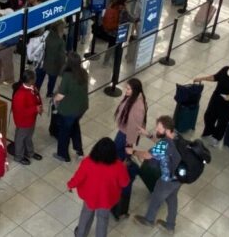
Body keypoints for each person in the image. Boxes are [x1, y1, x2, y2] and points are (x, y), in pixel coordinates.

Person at [67, 137, 130, 237]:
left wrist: (70, 185)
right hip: (106, 199)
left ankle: (80, 234)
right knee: (102, 220)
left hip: (90, 197)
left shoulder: (87, 162)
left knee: (86, 216)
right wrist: (124, 168)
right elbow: (124, 183)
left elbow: (78, 177)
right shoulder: (119, 166)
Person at [130, 115, 182, 234]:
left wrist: (133, 151)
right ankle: (170, 226)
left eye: (159, 129)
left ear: (167, 130)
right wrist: (147, 134)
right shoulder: (176, 136)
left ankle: (149, 220)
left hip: (167, 179)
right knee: (172, 199)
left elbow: (147, 155)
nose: (156, 130)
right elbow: (161, 143)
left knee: (156, 197)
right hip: (178, 177)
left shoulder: (164, 144)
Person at [110, 78, 148, 220]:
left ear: (135, 90)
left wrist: (129, 146)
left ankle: (118, 202)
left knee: (120, 164)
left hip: (125, 137)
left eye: (128, 89)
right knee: (120, 163)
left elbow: (133, 130)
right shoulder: (134, 98)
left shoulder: (137, 107)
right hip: (124, 134)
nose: (126, 91)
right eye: (126, 88)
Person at [193, 57, 229, 146]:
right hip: (217, 98)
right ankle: (209, 131)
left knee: (222, 121)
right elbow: (215, 77)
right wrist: (202, 78)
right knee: (209, 116)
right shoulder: (225, 69)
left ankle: (216, 137)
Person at [53, 51, 89, 162]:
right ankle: (79, 151)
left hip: (69, 110)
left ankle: (63, 155)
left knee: (64, 132)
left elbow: (60, 95)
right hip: (81, 107)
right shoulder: (83, 73)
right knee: (75, 127)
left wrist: (54, 99)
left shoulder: (68, 76)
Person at [11, 70, 44, 165]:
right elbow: (20, 111)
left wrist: (39, 105)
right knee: (20, 139)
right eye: (34, 78)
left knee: (29, 136)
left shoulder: (33, 87)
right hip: (23, 121)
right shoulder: (20, 94)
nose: (36, 79)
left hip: (31, 118)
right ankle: (18, 156)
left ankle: (30, 152)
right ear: (30, 81)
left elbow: (37, 97)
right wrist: (35, 109)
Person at [37, 21, 67, 97]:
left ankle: (36, 92)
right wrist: (62, 67)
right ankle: (49, 93)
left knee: (39, 79)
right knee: (52, 80)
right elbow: (62, 57)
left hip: (42, 61)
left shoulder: (46, 34)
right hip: (53, 65)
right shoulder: (60, 41)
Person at [99, 0, 130, 65]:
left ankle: (105, 61)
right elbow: (127, 19)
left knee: (110, 46)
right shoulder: (124, 10)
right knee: (118, 47)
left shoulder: (113, 5)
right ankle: (115, 61)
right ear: (124, 2)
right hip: (119, 32)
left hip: (111, 31)